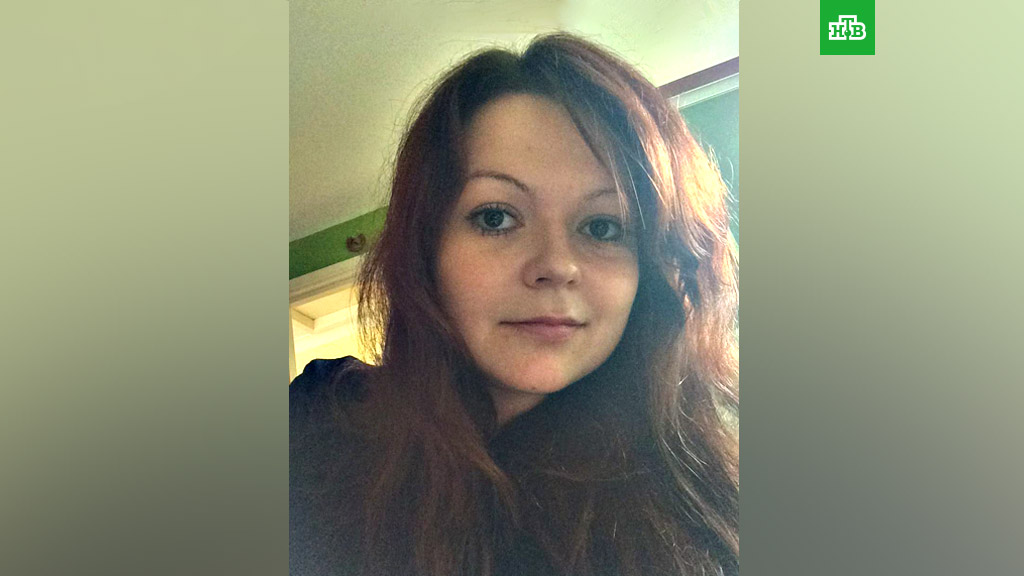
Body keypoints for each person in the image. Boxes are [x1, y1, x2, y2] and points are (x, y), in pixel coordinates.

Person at [290, 32, 738, 576]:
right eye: (496, 217)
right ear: (426, 247)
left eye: (603, 226)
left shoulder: (709, 511)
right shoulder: (316, 421)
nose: (556, 265)